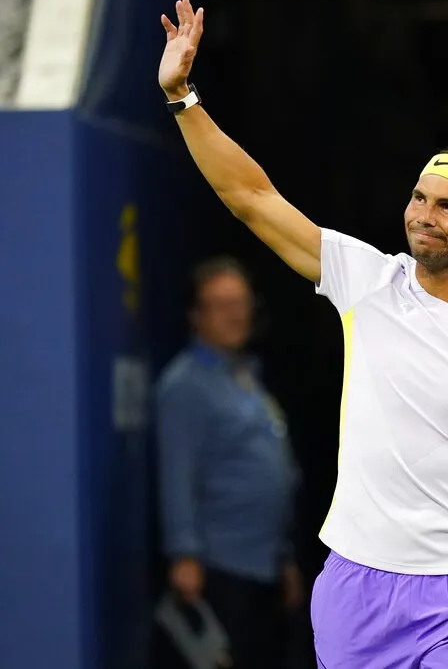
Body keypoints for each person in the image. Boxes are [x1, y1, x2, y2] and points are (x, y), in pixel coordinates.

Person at [156, 0, 448, 669]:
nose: (424, 215)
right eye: (419, 198)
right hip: (353, 589)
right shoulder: (365, 279)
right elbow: (251, 196)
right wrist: (183, 97)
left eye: (447, 204)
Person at [154, 257, 303, 669]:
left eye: (241, 303)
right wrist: (183, 556)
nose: (236, 314)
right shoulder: (185, 385)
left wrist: (284, 556)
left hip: (262, 564)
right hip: (220, 570)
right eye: (221, 304)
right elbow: (176, 475)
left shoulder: (244, 374)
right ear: (195, 315)